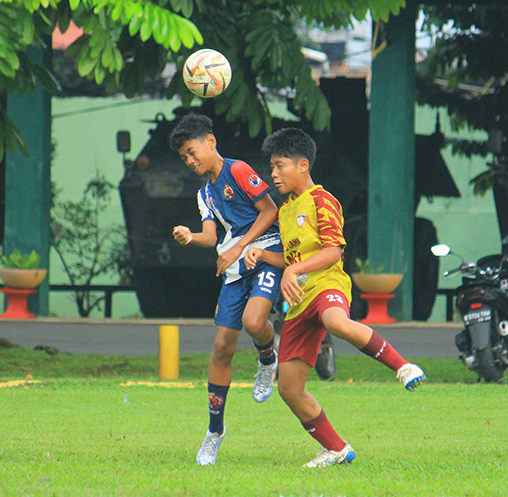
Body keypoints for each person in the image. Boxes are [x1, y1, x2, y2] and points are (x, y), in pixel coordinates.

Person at [245, 127, 426, 469]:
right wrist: (263, 255)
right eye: (271, 167)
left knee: (335, 321)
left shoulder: (321, 200)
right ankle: (336, 448)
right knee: (289, 388)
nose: (273, 173)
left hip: (327, 284)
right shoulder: (285, 210)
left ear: (302, 165)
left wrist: (291, 272)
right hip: (298, 302)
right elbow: (293, 259)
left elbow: (331, 253)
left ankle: (403, 367)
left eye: (279, 165)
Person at [168, 114, 283, 466]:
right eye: (185, 158)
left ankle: (267, 359)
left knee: (254, 320)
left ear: (211, 142)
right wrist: (191, 236)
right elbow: (211, 237)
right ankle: (214, 432)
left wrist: (240, 247)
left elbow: (270, 210)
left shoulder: (238, 170)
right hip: (235, 268)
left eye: (192, 152)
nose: (190, 161)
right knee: (221, 347)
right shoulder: (205, 193)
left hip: (265, 254)